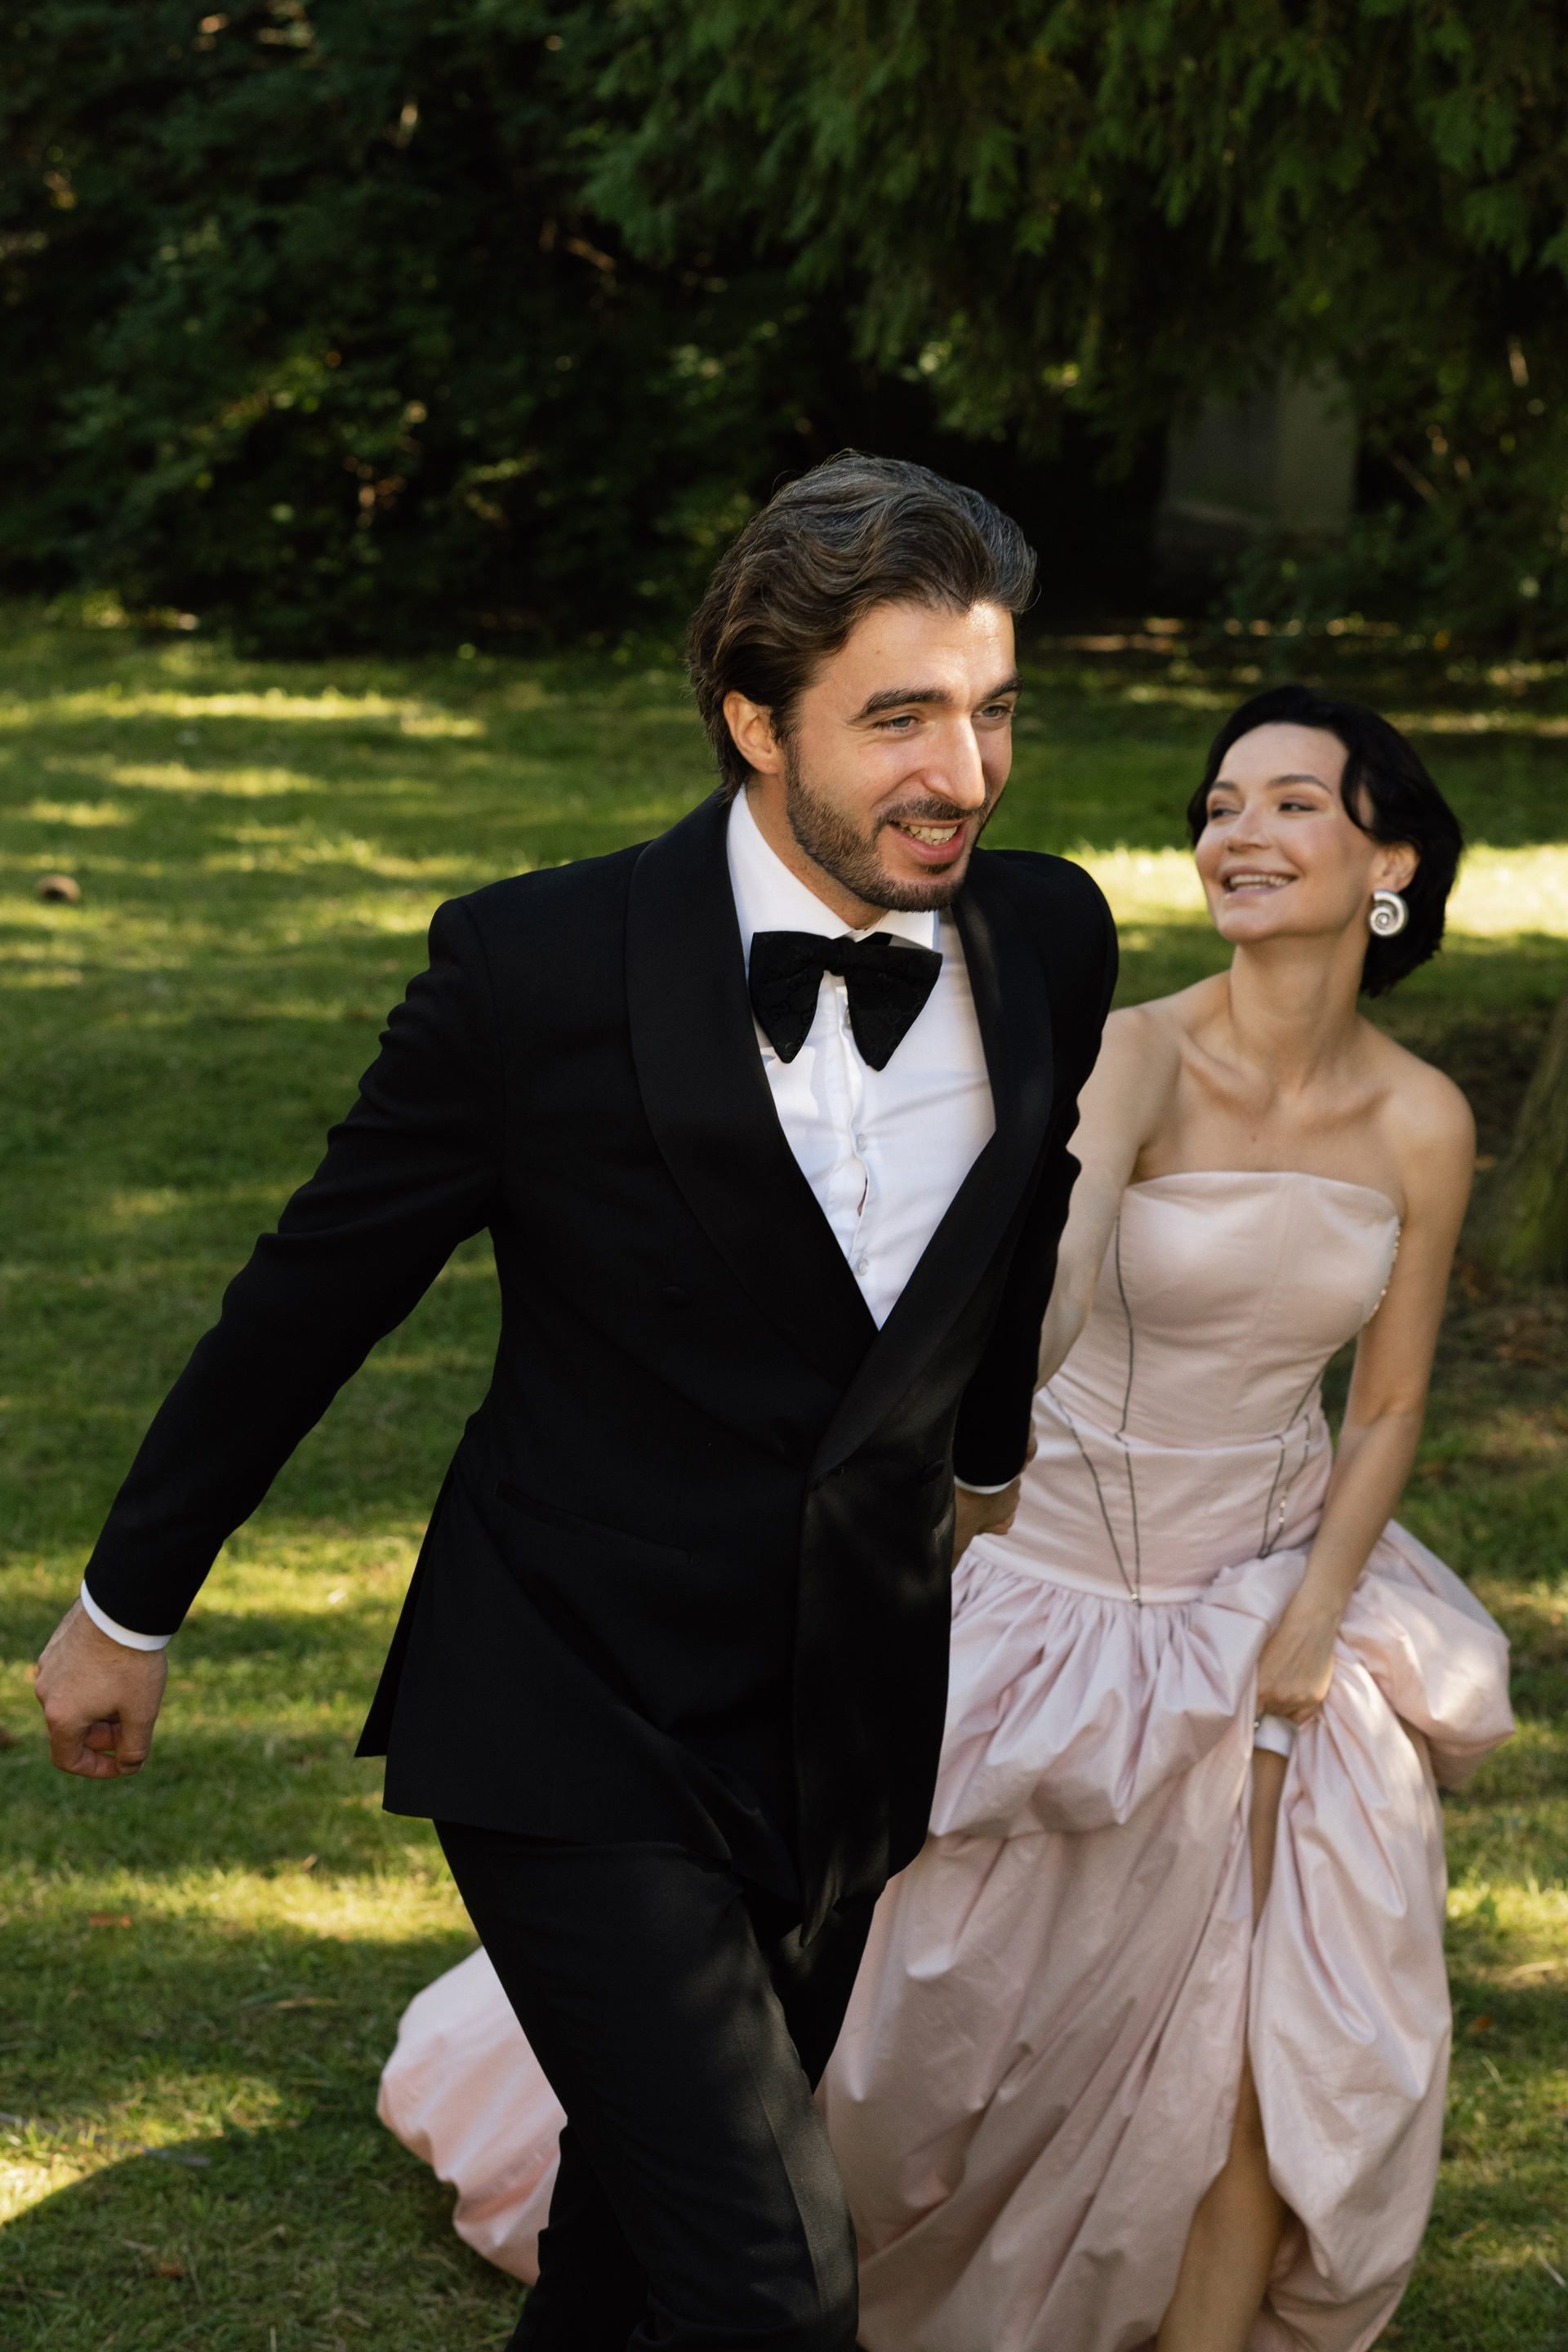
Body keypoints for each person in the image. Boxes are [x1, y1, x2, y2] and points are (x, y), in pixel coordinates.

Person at [32, 454, 1118, 2352]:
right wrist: (130, 1605)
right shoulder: (533, 969)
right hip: (572, 1704)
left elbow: (1027, 1203)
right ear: (755, 723)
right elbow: (313, 1297)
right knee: (774, 2285)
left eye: (993, 709)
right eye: (900, 719)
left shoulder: (1051, 939)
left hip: (849, 1716)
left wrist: (986, 1455)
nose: (965, 772)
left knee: (634, 2254)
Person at [377, 684, 1512, 2351]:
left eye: (1291, 804)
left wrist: (1315, 1613)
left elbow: (1391, 1401)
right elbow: (1049, 1283)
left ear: (1390, 862)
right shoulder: (1139, 1052)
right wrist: (951, 1415)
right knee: (900, 2021)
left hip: (1275, 1576)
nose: (1239, 834)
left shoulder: (1425, 1118)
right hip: (1052, 1557)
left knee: (1267, 2017)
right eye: (1220, 806)